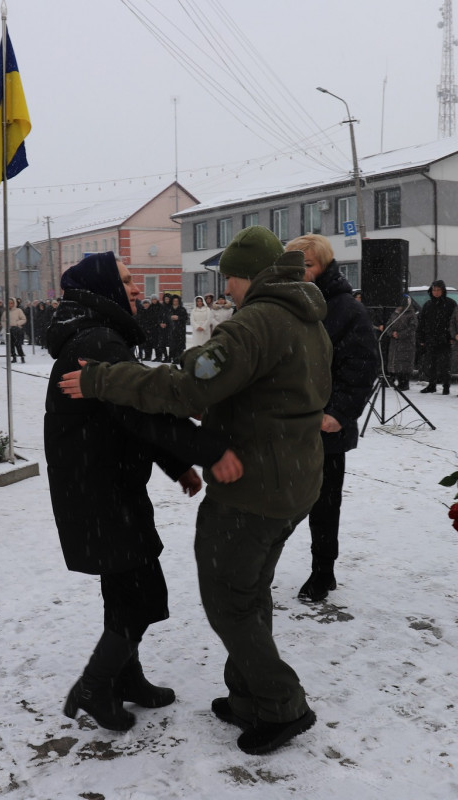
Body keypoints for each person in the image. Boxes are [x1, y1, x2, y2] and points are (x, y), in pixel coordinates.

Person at [58, 225, 331, 755]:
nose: (225, 290)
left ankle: (282, 704)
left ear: (245, 275)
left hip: (255, 489)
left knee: (230, 602)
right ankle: (249, 695)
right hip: (294, 481)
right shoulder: (305, 316)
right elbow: (272, 393)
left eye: (228, 278)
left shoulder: (256, 323)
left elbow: (187, 385)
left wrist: (103, 380)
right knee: (250, 594)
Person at [46, 251, 242, 732]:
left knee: (124, 587)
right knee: (139, 592)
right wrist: (208, 451)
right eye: (129, 281)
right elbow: (142, 412)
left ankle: (125, 679)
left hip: (99, 487)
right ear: (103, 290)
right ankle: (94, 686)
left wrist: (176, 465)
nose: (138, 289)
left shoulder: (97, 335)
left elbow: (125, 417)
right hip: (102, 491)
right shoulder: (98, 341)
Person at [285, 234, 376, 603]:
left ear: (324, 265)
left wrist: (338, 413)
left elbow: (362, 364)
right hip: (289, 424)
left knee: (324, 503)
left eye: (307, 265)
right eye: (294, 265)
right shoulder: (285, 303)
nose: (300, 272)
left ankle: (323, 571)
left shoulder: (345, 309)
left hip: (325, 427)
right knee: (287, 499)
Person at [417, 280, 456, 393]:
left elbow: (454, 322)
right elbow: (422, 323)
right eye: (434, 290)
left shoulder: (450, 304)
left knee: (445, 365)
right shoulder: (428, 305)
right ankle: (432, 385)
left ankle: (446, 387)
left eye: (438, 290)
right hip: (430, 339)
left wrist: (452, 336)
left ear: (443, 291)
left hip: (445, 339)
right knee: (431, 364)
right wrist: (421, 338)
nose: (436, 292)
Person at [380, 298, 418, 390]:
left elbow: (412, 328)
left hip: (406, 343)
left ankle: (404, 383)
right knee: (395, 362)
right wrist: (391, 333)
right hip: (394, 342)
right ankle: (395, 380)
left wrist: (400, 334)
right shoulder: (395, 312)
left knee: (404, 363)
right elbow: (388, 324)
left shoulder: (411, 314)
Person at [165, 294, 189, 362]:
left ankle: (179, 358)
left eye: (177, 301)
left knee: (180, 345)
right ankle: (172, 357)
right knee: (172, 345)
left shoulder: (182, 309)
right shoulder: (169, 309)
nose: (175, 302)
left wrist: (178, 318)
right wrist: (170, 318)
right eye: (174, 301)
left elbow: (186, 318)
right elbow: (166, 318)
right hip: (171, 330)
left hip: (180, 330)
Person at [4, 298, 27, 362]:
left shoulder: (18, 310)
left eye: (12, 303)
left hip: (17, 329)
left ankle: (22, 356)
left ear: (14, 303)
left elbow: (24, 319)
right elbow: (2, 320)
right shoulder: (6, 311)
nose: (10, 304)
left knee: (18, 344)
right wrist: (5, 325)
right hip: (9, 329)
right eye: (9, 303)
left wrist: (17, 323)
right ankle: (14, 357)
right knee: (10, 345)